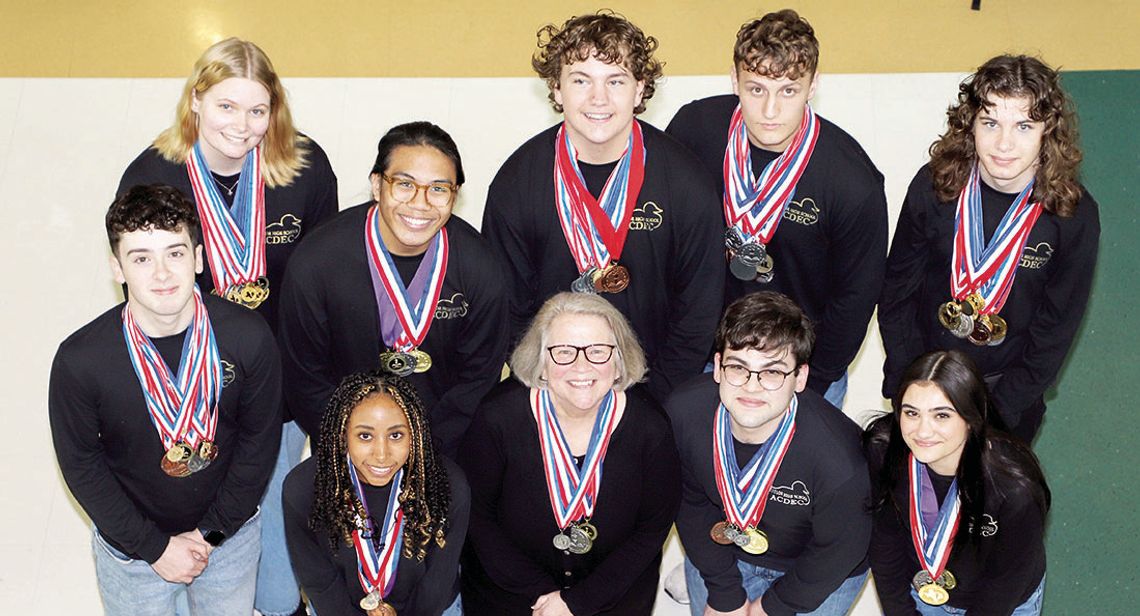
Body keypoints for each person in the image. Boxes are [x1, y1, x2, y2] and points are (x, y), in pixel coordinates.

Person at [116, 37, 338, 615]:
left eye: (258, 110)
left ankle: (276, 604)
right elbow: (146, 295)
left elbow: (319, 284)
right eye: (226, 107)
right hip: (188, 380)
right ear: (196, 102)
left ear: (275, 110)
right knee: (193, 488)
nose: (242, 126)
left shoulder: (305, 171)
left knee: (264, 490)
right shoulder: (152, 178)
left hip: (277, 374)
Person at [48, 184, 282, 615]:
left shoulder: (249, 337)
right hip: (131, 552)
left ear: (198, 259)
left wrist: (212, 531)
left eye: (174, 253)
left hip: (229, 538)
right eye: (141, 258)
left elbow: (259, 441)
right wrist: (154, 548)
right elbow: (82, 465)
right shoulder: (81, 360)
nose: (161, 273)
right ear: (116, 268)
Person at [481, 10, 725, 404]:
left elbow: (698, 307)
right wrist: (552, 385)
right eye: (581, 81)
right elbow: (510, 308)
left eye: (616, 81)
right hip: (552, 389)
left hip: (657, 391)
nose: (599, 98)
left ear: (640, 89)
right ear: (557, 89)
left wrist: (657, 398)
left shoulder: (687, 183)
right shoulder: (516, 183)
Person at [666, 9, 887, 408]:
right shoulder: (693, 130)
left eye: (788, 90)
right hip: (703, 355)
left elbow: (856, 298)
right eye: (755, 89)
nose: (770, 111)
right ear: (734, 80)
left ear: (813, 84)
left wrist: (812, 379)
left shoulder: (852, 181)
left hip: (799, 368)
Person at [878, 54, 1100, 443]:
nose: (1003, 144)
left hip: (1007, 397)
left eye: (1024, 125)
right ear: (970, 125)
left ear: (1048, 131)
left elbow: (1056, 329)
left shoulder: (1072, 215)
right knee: (918, 496)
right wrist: (908, 383)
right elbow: (897, 294)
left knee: (991, 501)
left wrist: (1002, 412)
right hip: (927, 380)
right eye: (990, 122)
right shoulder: (935, 188)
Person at [278, 121, 509, 454]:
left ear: (455, 196)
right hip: (344, 448)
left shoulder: (481, 268)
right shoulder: (316, 263)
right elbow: (305, 376)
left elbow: (479, 378)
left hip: (440, 448)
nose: (420, 202)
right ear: (377, 184)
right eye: (404, 184)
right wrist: (355, 445)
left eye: (439, 188)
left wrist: (425, 448)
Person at [459, 292, 681, 615]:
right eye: (564, 352)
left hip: (611, 601)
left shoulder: (651, 427)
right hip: (510, 598)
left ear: (618, 363)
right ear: (542, 363)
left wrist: (576, 603)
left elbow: (652, 528)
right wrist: (544, 598)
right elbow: (478, 519)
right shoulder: (497, 418)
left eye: (598, 351)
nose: (582, 366)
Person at [668, 291, 870, 616]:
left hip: (813, 569)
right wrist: (725, 594)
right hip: (725, 550)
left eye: (773, 372)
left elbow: (839, 550)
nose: (752, 386)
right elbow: (690, 504)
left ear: (800, 377)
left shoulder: (841, 459)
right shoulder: (683, 414)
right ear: (718, 367)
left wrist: (775, 606)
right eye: (738, 367)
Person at [865, 350, 1050, 615]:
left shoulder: (1014, 489)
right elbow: (885, 541)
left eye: (942, 415)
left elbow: (1004, 583)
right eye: (911, 413)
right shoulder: (884, 451)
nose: (923, 431)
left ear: (971, 420)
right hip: (921, 593)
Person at [283, 371, 468, 615]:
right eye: (365, 436)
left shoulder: (448, 486)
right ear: (342, 434)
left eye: (396, 435)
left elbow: (437, 583)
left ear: (415, 435)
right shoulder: (304, 488)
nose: (381, 454)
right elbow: (320, 581)